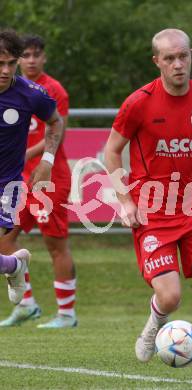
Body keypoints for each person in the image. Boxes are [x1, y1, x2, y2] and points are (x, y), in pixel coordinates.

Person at [104, 29, 192, 383]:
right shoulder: (139, 102)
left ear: (191, 55)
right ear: (156, 61)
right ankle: (153, 326)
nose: (178, 64)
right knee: (171, 296)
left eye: (183, 56)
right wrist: (124, 200)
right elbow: (111, 151)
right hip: (153, 211)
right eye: (170, 58)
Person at [0, 34, 77, 329]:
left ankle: (67, 313)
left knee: (55, 243)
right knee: (6, 241)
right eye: (26, 56)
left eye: (11, 63)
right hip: (16, 180)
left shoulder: (45, 90)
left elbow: (58, 125)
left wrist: (43, 160)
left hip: (48, 178)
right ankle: (26, 302)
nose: (8, 69)